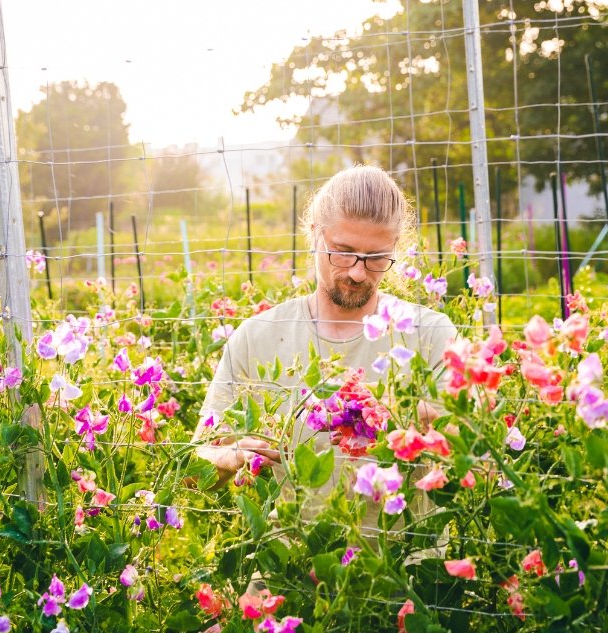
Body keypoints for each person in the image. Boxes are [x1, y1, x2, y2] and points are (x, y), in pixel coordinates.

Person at [194, 164, 458, 496]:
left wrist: (398, 413)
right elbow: (192, 472)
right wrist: (227, 458)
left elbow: (475, 456)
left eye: (377, 258)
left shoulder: (431, 333)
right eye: (343, 253)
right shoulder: (257, 336)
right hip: (292, 532)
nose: (358, 273)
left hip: (402, 532)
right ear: (314, 233)